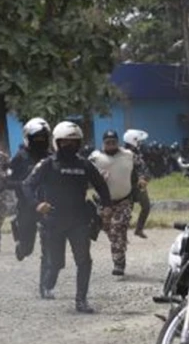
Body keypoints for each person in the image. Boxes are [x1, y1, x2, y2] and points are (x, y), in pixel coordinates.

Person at [24, 121, 112, 313]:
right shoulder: (47, 164)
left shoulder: (85, 165)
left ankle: (81, 301)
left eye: (73, 142)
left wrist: (106, 206)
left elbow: (102, 187)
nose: (69, 146)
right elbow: (27, 186)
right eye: (64, 142)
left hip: (79, 221)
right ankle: (46, 285)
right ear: (57, 142)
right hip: (53, 221)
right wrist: (37, 205)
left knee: (84, 261)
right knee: (56, 262)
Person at [89, 130, 146, 277]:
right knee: (111, 231)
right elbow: (86, 175)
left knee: (116, 228)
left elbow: (141, 168)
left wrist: (142, 178)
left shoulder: (128, 155)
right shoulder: (95, 157)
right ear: (103, 143)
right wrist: (97, 177)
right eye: (108, 142)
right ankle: (120, 244)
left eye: (113, 142)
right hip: (104, 203)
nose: (111, 145)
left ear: (118, 142)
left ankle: (119, 264)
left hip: (124, 200)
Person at [8, 117, 53, 266]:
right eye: (37, 138)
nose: (40, 141)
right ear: (29, 138)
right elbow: (6, 181)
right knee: (27, 249)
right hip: (26, 204)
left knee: (50, 243)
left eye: (43, 137)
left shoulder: (51, 157)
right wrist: (23, 184)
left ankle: (47, 273)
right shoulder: (20, 157)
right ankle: (21, 242)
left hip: (47, 203)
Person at [124, 129, 152, 239]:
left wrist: (145, 178)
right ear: (133, 141)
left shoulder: (134, 153)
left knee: (145, 207)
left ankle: (138, 229)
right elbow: (140, 169)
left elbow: (143, 169)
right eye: (138, 141)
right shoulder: (128, 154)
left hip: (137, 186)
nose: (140, 144)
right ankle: (125, 235)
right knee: (128, 211)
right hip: (131, 186)